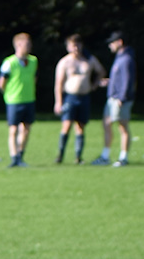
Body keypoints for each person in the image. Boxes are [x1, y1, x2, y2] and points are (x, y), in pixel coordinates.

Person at [52, 34, 104, 163]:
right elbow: (58, 84)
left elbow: (101, 71)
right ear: (68, 47)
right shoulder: (65, 62)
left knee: (80, 126)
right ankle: (60, 155)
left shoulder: (88, 60)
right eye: (73, 45)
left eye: (78, 44)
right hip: (70, 97)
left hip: (84, 96)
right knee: (66, 125)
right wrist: (58, 102)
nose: (76, 48)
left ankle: (78, 156)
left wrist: (95, 84)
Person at [93, 32, 137, 165]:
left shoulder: (126, 59)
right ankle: (105, 156)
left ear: (120, 42)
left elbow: (128, 80)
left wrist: (122, 98)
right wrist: (110, 82)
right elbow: (120, 78)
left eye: (112, 42)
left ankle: (123, 158)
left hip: (120, 99)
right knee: (106, 124)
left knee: (122, 127)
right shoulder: (120, 57)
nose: (110, 46)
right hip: (112, 98)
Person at [0, 33, 38, 166]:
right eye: (27, 44)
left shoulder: (33, 61)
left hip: (29, 99)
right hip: (14, 100)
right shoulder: (9, 62)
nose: (29, 46)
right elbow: (1, 83)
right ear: (18, 45)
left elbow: (34, 78)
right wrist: (8, 95)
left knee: (26, 129)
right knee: (13, 129)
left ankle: (20, 155)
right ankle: (14, 157)